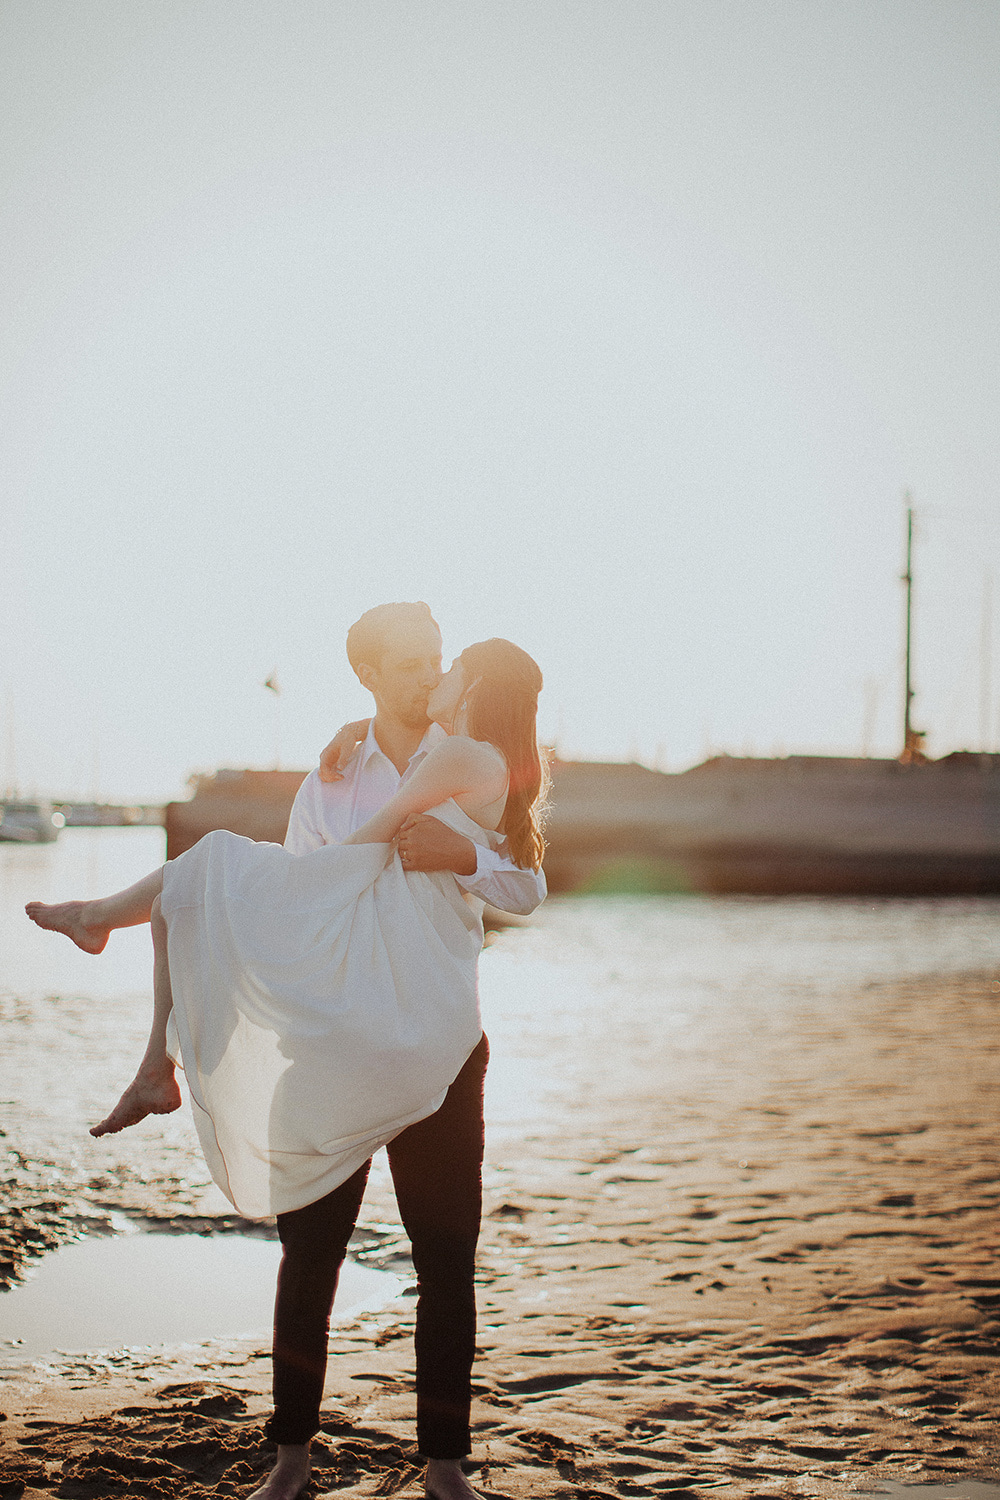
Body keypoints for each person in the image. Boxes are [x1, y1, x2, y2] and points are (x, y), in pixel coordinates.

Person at [26, 605, 547, 1500]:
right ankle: (292, 1460)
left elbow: (527, 881)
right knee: (311, 1255)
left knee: (445, 1259)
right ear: (372, 678)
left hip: (436, 1047)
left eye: (439, 660)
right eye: (414, 663)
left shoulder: (461, 759)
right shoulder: (332, 775)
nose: (430, 674)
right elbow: (313, 908)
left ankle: (445, 1466)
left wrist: (464, 856)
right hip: (333, 1044)